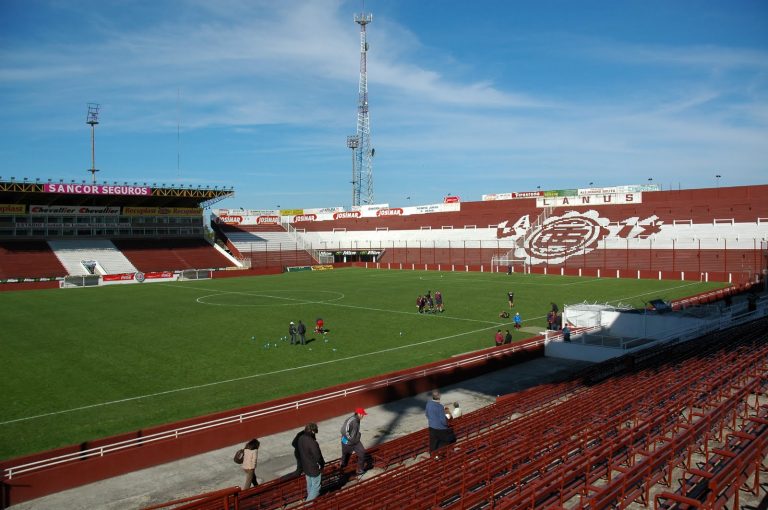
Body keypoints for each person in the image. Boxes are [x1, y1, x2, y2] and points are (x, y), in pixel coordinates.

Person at [298, 422, 325, 502]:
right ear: (313, 431)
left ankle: (309, 499)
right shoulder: (312, 442)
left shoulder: (301, 438)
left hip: (305, 467)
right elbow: (318, 456)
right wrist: (321, 464)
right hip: (314, 468)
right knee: (316, 486)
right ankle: (307, 504)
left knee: (309, 484)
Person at [425, 389, 456, 454]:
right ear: (439, 396)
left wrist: (432, 421)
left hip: (432, 427)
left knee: (433, 443)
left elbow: (427, 414)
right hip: (441, 429)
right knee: (445, 442)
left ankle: (433, 456)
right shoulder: (440, 407)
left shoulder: (428, 404)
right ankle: (443, 455)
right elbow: (443, 421)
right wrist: (446, 424)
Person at [340, 408, 368, 476]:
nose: (363, 416)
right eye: (362, 414)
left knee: (362, 453)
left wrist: (357, 436)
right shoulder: (351, 420)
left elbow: (354, 431)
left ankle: (360, 469)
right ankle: (342, 470)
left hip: (356, 442)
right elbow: (343, 430)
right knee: (345, 456)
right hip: (347, 443)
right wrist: (350, 439)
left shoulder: (358, 420)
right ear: (358, 414)